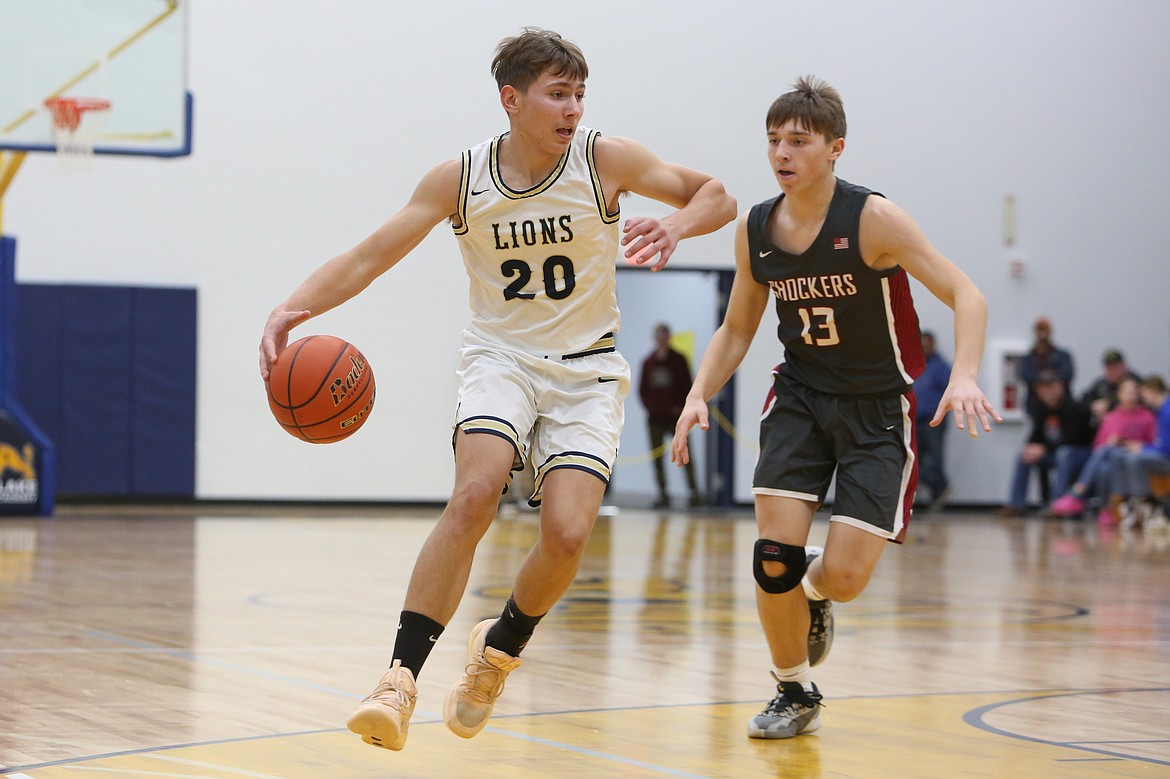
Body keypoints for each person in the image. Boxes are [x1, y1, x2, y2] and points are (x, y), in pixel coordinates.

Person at [258, 28, 735, 752]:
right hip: (501, 358)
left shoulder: (605, 158)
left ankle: (499, 647)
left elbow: (719, 195)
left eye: (579, 94)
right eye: (557, 93)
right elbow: (369, 254)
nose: (572, 107)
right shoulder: (461, 178)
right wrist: (294, 307)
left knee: (569, 533)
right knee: (476, 491)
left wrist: (676, 222)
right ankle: (398, 678)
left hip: (588, 368)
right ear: (511, 100)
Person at [670, 76, 999, 741]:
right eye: (773, 141)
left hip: (878, 408)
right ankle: (793, 687)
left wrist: (964, 375)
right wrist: (697, 394)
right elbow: (737, 328)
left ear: (835, 147)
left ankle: (816, 595)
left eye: (798, 140)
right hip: (799, 399)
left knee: (844, 577)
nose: (781, 153)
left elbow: (968, 294)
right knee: (771, 556)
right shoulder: (756, 227)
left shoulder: (873, 218)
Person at [1048, 376, 1156, 519]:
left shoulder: (1147, 417)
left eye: (1134, 392)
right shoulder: (1112, 417)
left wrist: (1135, 445)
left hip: (1134, 456)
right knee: (1104, 463)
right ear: (1119, 394)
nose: (1131, 395)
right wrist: (1113, 443)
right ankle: (1105, 509)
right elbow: (1097, 446)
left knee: (1106, 452)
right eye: (1128, 391)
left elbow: (1154, 443)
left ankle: (1077, 493)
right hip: (1112, 458)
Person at [998, 371, 1094, 516]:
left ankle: (1057, 503)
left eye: (1050, 386)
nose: (1046, 391)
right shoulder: (1041, 409)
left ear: (1059, 387)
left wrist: (1044, 448)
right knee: (1023, 454)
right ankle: (1016, 503)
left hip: (1080, 454)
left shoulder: (1074, 407)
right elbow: (1035, 435)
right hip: (1053, 452)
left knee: (1064, 453)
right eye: (1042, 388)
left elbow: (1073, 439)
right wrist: (1031, 448)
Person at [639, 322, 703, 509]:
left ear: (669, 337)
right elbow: (642, 390)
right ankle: (662, 494)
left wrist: (681, 407)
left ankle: (693, 493)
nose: (662, 339)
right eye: (658, 336)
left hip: (676, 418)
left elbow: (687, 385)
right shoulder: (648, 362)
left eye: (664, 335)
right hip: (655, 419)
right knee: (657, 459)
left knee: (685, 455)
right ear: (655, 338)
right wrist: (651, 407)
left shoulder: (679, 360)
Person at [1103, 375, 1170, 527]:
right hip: (1162, 454)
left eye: (1144, 393)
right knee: (1119, 455)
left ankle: (1144, 501)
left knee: (1133, 458)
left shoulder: (1167, 411)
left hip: (1167, 458)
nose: (1142, 397)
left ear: (1153, 391)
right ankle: (1125, 499)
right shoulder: (1160, 410)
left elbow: (1167, 448)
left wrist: (1143, 448)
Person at [913, 330, 952, 511]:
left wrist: (933, 409)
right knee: (914, 460)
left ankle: (940, 488)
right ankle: (940, 487)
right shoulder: (914, 364)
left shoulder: (941, 366)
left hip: (933, 420)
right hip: (915, 420)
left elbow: (949, 390)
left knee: (935, 459)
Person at [1017, 317, 1075, 416]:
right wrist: (1042, 379)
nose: (1042, 334)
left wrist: (1051, 380)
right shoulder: (1028, 358)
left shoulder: (1062, 356)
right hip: (1037, 408)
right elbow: (1025, 374)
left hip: (1062, 408)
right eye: (1040, 329)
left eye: (1044, 329)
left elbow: (1068, 373)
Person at [1081, 349, 1141, 424]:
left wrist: (1108, 403)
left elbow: (1137, 400)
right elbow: (1085, 399)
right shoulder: (1101, 384)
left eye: (1115, 366)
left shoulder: (1134, 381)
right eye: (1109, 367)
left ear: (1124, 366)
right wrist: (1094, 406)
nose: (1112, 370)